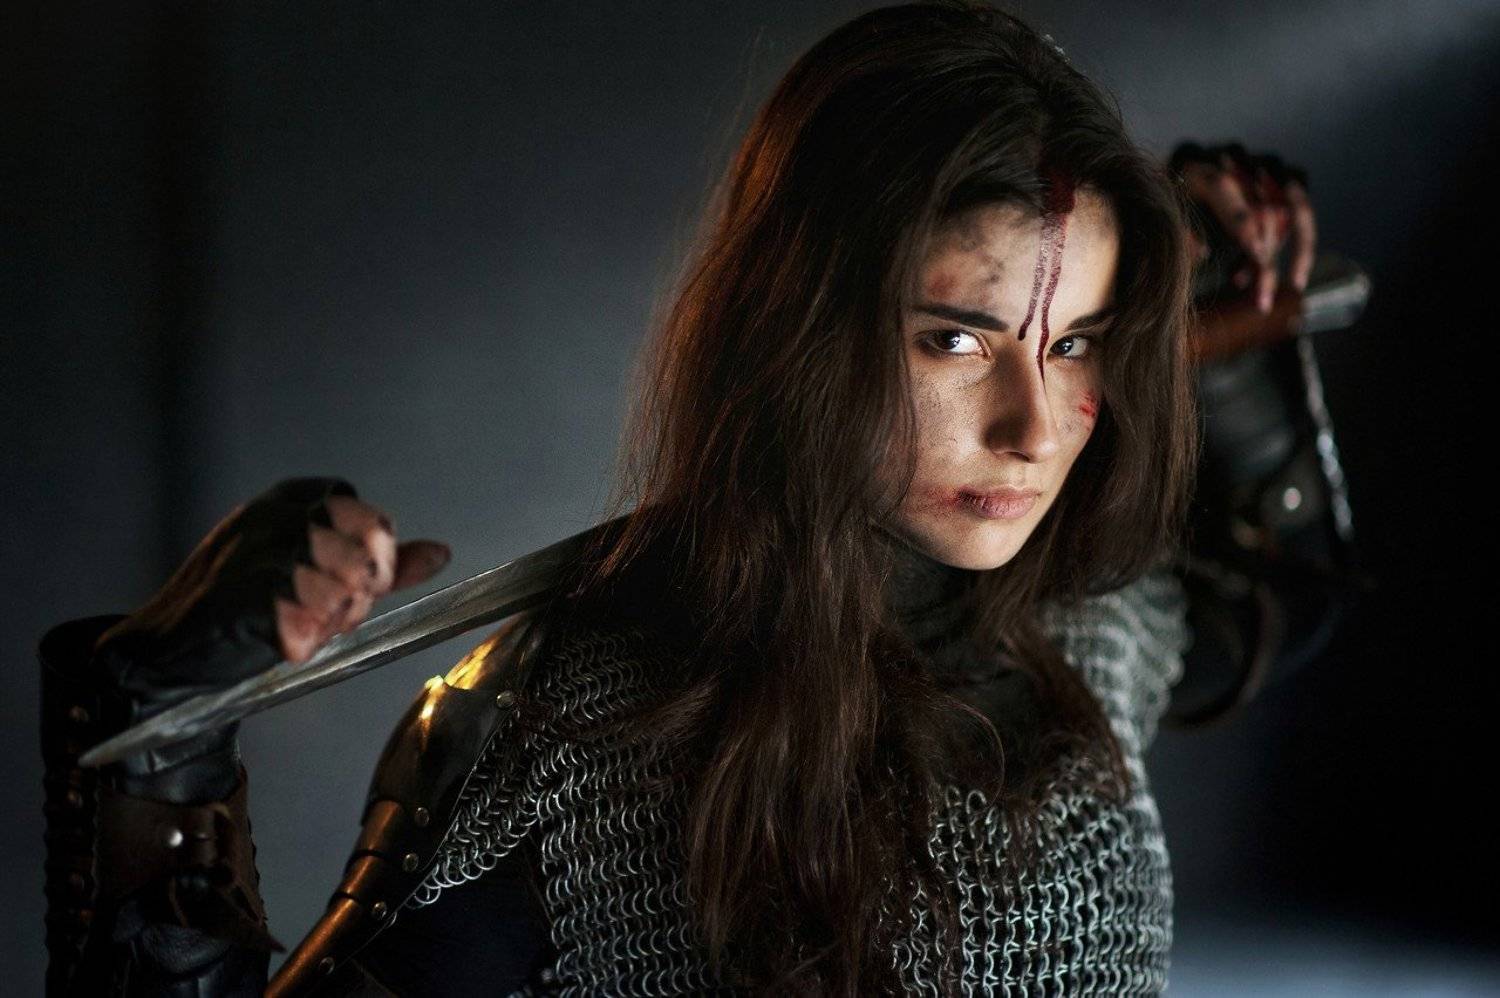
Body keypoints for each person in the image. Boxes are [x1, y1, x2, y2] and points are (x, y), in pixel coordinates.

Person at [38, 2, 1350, 995]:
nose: (1031, 430)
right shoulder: (589, 723)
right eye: (955, 339)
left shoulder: (1084, 622)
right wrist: (165, 732)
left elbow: (1290, 594)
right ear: (802, 333)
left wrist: (1239, 352)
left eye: (1074, 345)